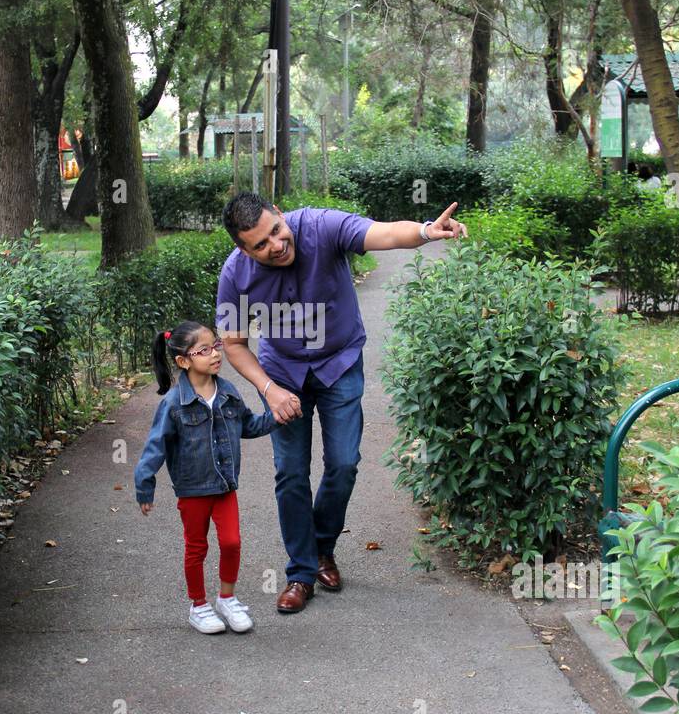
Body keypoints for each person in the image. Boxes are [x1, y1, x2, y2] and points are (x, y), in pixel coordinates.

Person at [215, 195, 468, 615]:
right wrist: (267, 389)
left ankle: (322, 548)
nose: (275, 245)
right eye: (260, 245)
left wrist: (425, 231)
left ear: (279, 214)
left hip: (340, 363)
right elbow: (234, 343)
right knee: (291, 472)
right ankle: (301, 572)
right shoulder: (235, 274)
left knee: (345, 462)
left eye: (276, 231)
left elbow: (381, 232)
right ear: (244, 249)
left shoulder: (320, 226)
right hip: (282, 376)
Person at [134, 321, 279, 635]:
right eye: (204, 350)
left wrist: (275, 417)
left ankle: (227, 598)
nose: (215, 354)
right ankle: (198, 606)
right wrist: (145, 484)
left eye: (216, 346)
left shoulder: (227, 391)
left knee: (231, 542)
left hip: (225, 484)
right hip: (193, 489)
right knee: (196, 547)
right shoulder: (174, 403)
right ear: (183, 361)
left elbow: (248, 425)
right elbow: (154, 447)